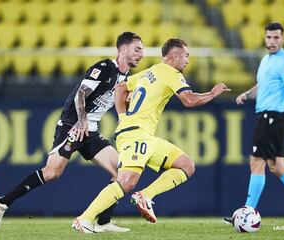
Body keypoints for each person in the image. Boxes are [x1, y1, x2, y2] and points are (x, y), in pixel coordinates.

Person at [0, 32, 144, 232]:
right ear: (123, 49)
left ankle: (102, 222)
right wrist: (81, 122)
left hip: (91, 131)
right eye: (137, 49)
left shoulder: (125, 77)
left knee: (122, 172)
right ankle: (2, 203)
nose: (142, 53)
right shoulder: (104, 68)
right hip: (74, 124)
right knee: (53, 172)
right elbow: (81, 93)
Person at [71, 38, 230, 233]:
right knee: (127, 180)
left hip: (142, 135)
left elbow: (121, 88)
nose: (187, 61)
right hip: (136, 135)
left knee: (186, 165)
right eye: (186, 56)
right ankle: (84, 219)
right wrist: (213, 94)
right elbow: (188, 100)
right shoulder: (171, 72)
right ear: (174, 56)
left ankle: (145, 196)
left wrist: (122, 116)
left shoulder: (150, 71)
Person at [224, 22, 284, 225]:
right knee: (277, 166)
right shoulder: (266, 60)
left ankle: (246, 213)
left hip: (272, 117)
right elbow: (262, 85)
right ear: (265, 38)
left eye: (276, 37)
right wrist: (247, 94)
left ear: (282, 39)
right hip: (267, 116)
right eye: (269, 37)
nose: (272, 41)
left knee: (256, 161)